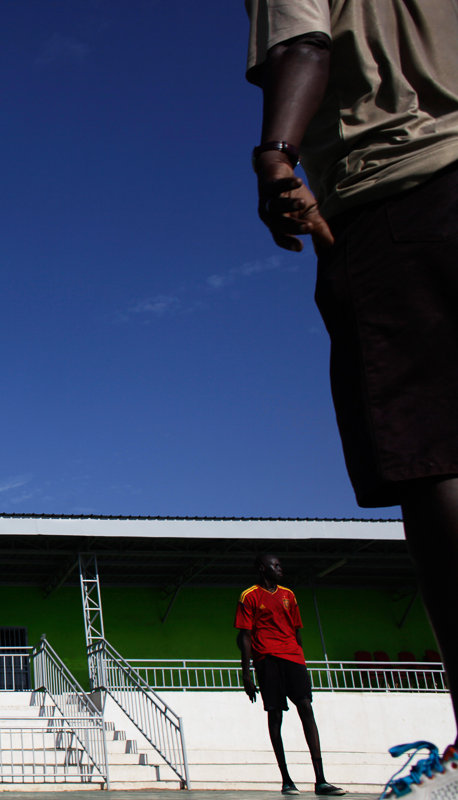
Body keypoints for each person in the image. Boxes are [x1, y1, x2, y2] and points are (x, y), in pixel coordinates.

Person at [245, 1, 458, 794]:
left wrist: (276, 156)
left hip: (393, 190)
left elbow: (302, 42)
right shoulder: (255, 599)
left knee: (433, 454)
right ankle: (300, 780)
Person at [236, 555, 344, 796]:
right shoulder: (249, 596)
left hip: (293, 658)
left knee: (306, 707)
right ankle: (286, 779)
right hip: (266, 658)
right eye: (275, 566)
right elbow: (244, 636)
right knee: (275, 714)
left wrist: (300, 658)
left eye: (280, 565)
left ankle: (321, 780)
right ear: (263, 568)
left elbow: (296, 630)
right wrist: (246, 675)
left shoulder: (289, 595)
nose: (280, 569)